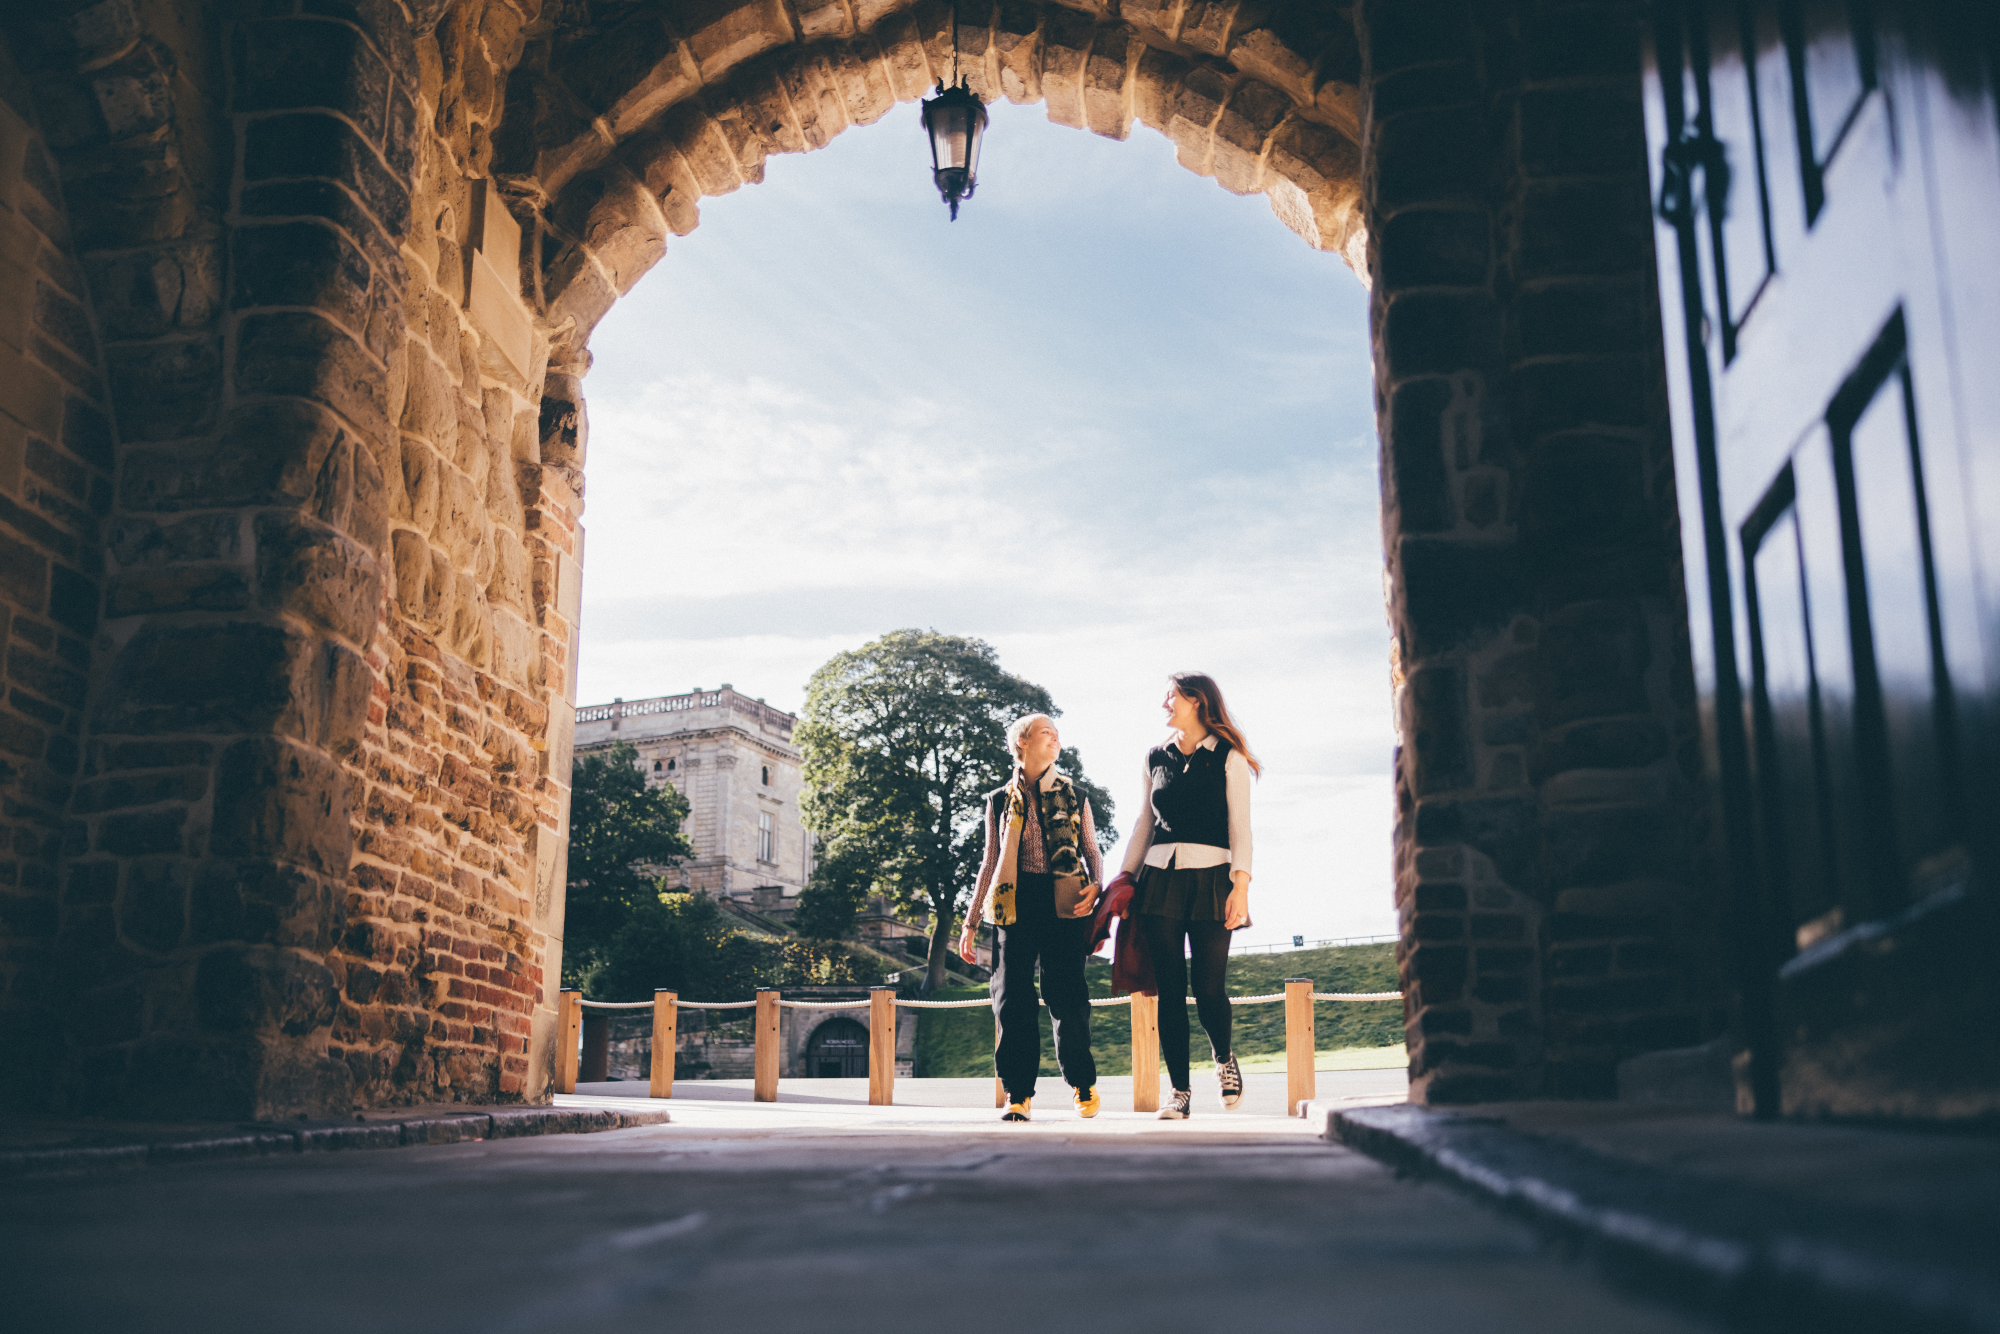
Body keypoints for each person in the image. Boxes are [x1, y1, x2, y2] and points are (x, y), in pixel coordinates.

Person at [1118, 672, 1258, 1119]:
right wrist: (1124, 878)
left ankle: (1223, 1058)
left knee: (1209, 986)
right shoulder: (1154, 757)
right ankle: (1179, 1092)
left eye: (1171, 697)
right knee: (1170, 990)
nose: (1164, 705)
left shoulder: (1229, 757)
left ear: (1197, 701)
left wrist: (1241, 887)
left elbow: (1241, 827)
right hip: (1159, 881)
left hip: (1214, 879)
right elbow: (1145, 823)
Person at [958, 714, 1103, 1122]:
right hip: (1014, 903)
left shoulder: (1077, 794)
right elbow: (989, 862)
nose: (1055, 738)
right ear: (1021, 743)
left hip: (1065, 903)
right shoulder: (999, 800)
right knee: (1010, 999)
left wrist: (1097, 886)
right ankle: (1018, 1094)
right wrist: (970, 923)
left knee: (1068, 997)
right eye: (1045, 733)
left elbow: (1091, 851)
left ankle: (1082, 1083)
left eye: (1058, 733)